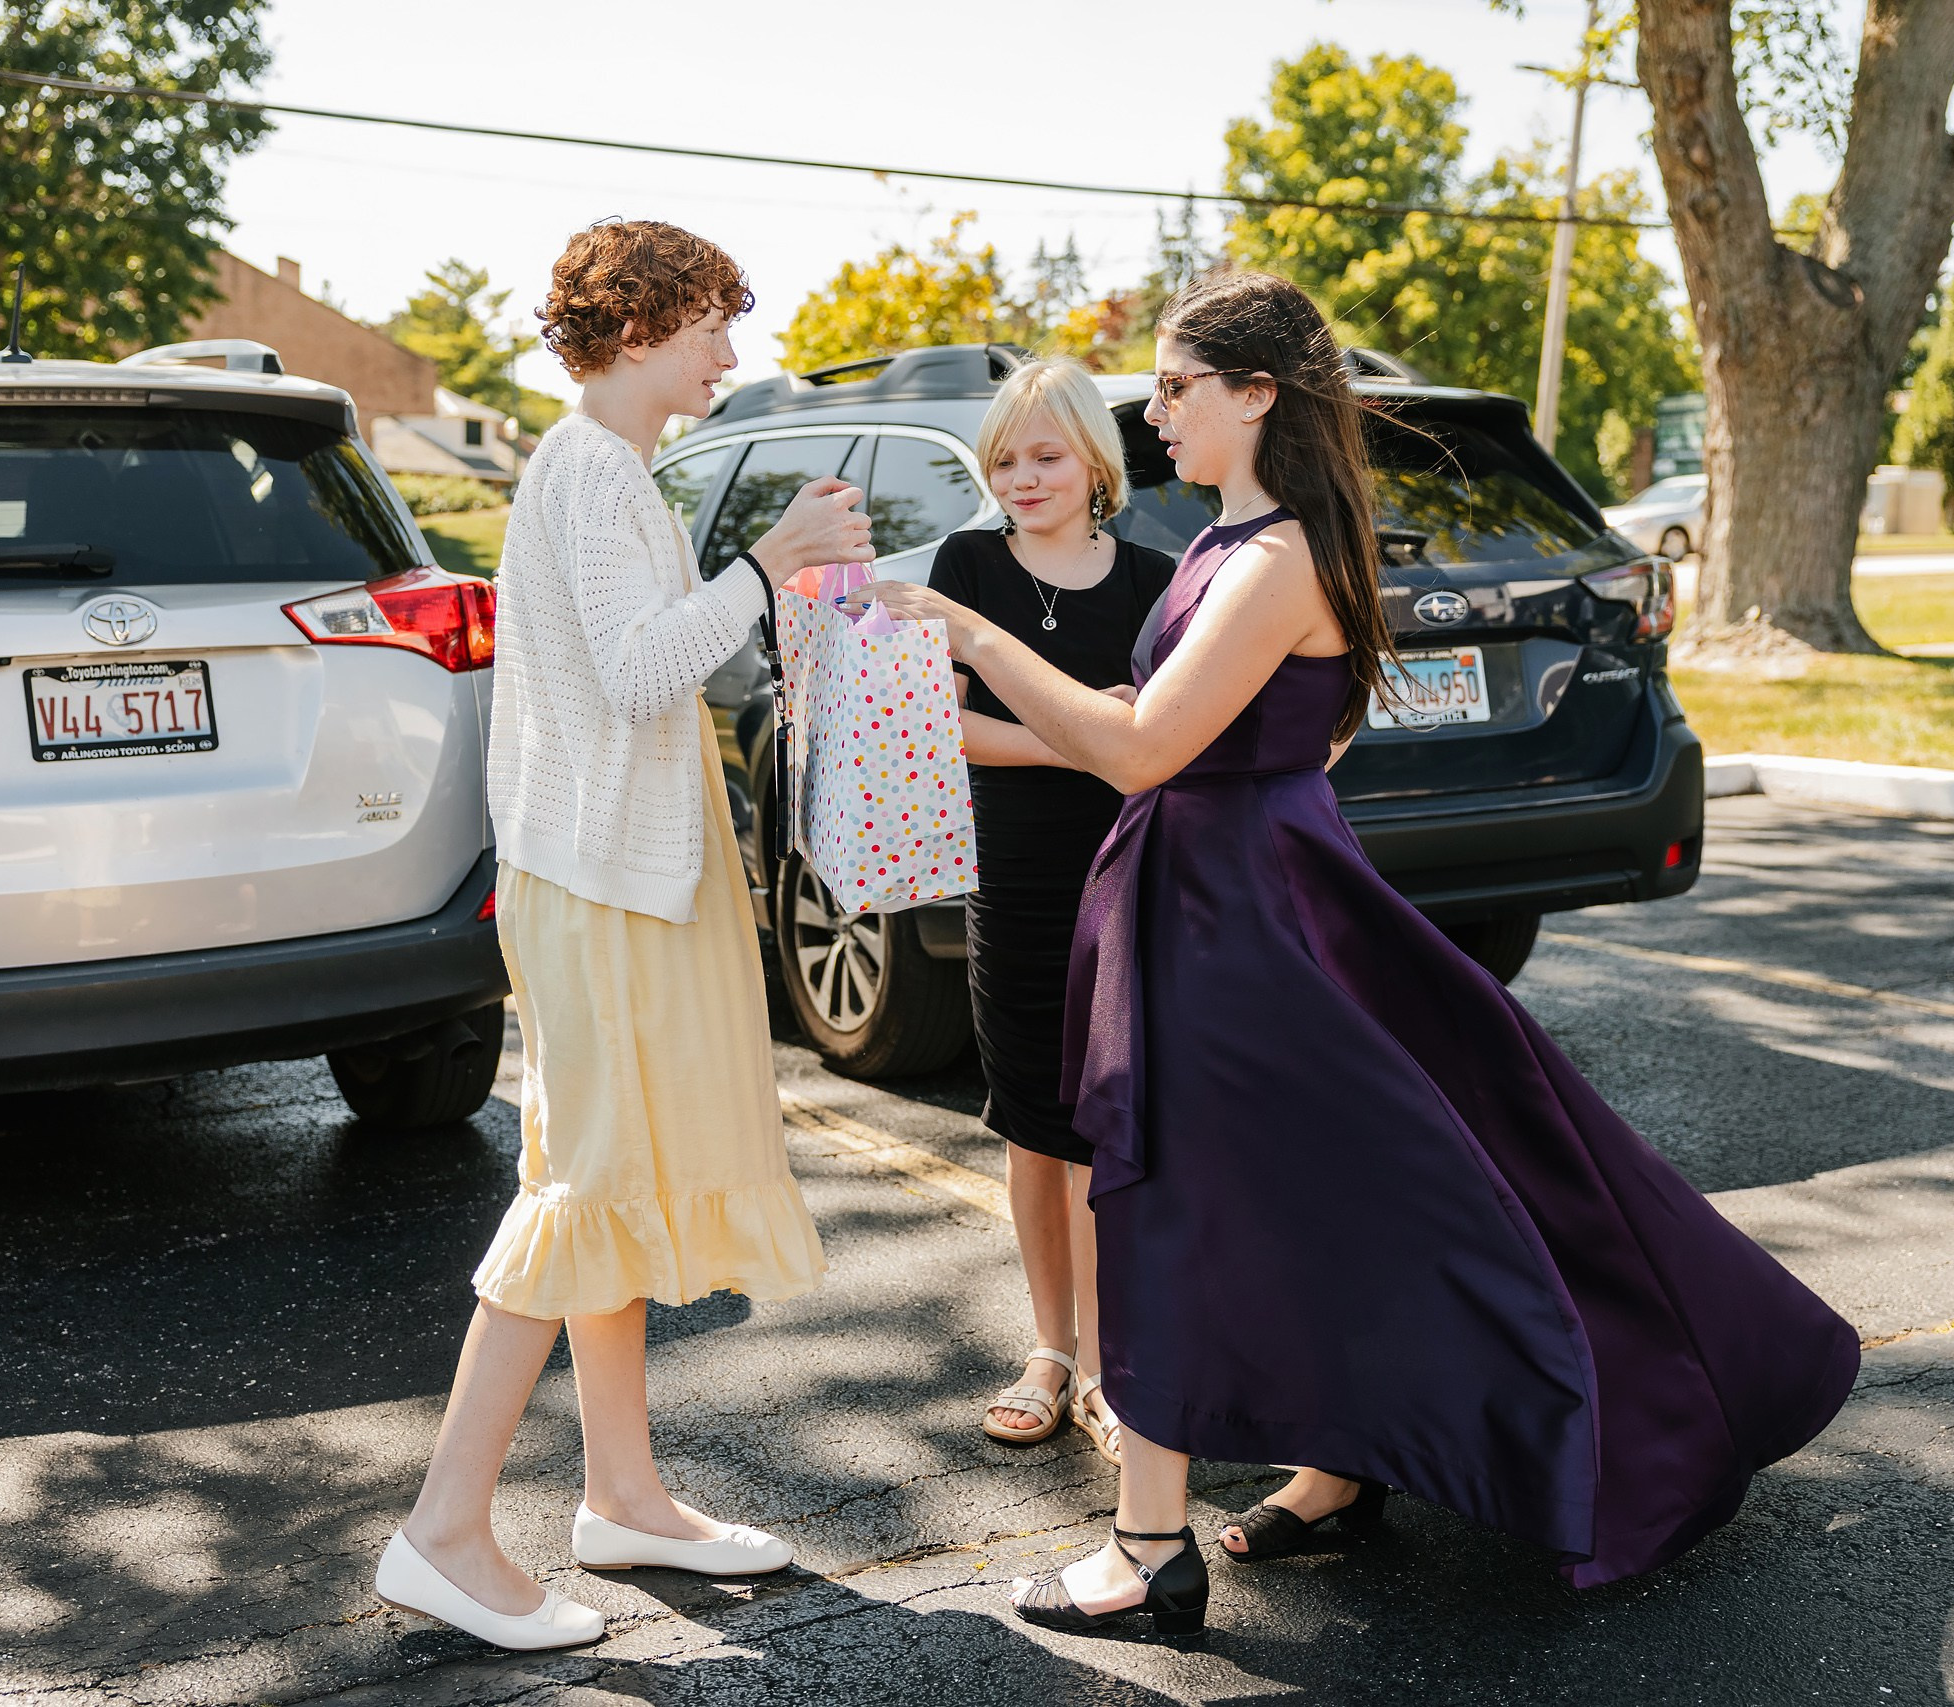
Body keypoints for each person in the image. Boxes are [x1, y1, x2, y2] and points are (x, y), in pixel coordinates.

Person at [854, 270, 1859, 1636]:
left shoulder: (1274, 558)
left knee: (1175, 1198)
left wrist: (970, 631)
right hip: (1227, 882)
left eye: (1176, 387)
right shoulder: (1227, 540)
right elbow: (1280, 736)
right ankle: (1335, 1466)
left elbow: (1143, 746)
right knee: (1306, 1191)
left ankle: (1149, 1548)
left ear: (1256, 393)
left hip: (1233, 910)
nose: (1156, 413)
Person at [374, 220, 874, 1653]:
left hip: (614, 871)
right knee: (585, 1182)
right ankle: (443, 1532)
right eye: (712, 324)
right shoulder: (591, 468)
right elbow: (641, 669)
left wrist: (778, 584)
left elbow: (648, 659)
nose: (730, 350)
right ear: (642, 325)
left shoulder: (608, 468)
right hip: (597, 878)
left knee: (611, 1177)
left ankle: (622, 1495)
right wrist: (769, 562)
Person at [926, 358, 1175, 1461]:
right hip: (1016, 873)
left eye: (1045, 456)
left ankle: (1117, 1369)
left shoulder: (1154, 578)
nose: (1022, 478)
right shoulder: (968, 564)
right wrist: (1080, 739)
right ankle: (1050, 1351)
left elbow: (1163, 733)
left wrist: (1109, 744)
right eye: (1004, 461)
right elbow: (950, 725)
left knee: (1107, 1121)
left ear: (1095, 464)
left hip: (1129, 870)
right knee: (1031, 1118)